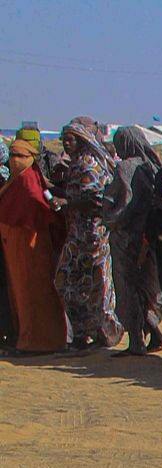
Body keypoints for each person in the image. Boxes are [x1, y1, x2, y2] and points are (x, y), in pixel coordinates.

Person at [0, 129, 67, 355]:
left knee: (35, 292)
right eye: (12, 156)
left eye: (20, 156)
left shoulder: (30, 181)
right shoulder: (17, 180)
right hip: (16, 246)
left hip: (32, 245)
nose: (15, 161)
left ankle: (38, 342)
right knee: (21, 294)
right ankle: (27, 338)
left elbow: (40, 208)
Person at [50, 117, 114, 352]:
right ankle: (87, 334)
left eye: (71, 139)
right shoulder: (76, 162)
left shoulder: (88, 163)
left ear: (81, 140)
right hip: (78, 234)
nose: (67, 143)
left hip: (91, 236)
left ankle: (92, 334)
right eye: (64, 139)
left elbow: (95, 200)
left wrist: (66, 201)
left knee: (78, 283)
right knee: (78, 284)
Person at [104, 125, 162, 357]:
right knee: (144, 286)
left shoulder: (125, 168)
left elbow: (122, 204)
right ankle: (155, 333)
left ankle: (136, 342)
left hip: (127, 236)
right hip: (147, 235)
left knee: (128, 287)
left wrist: (110, 219)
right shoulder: (152, 167)